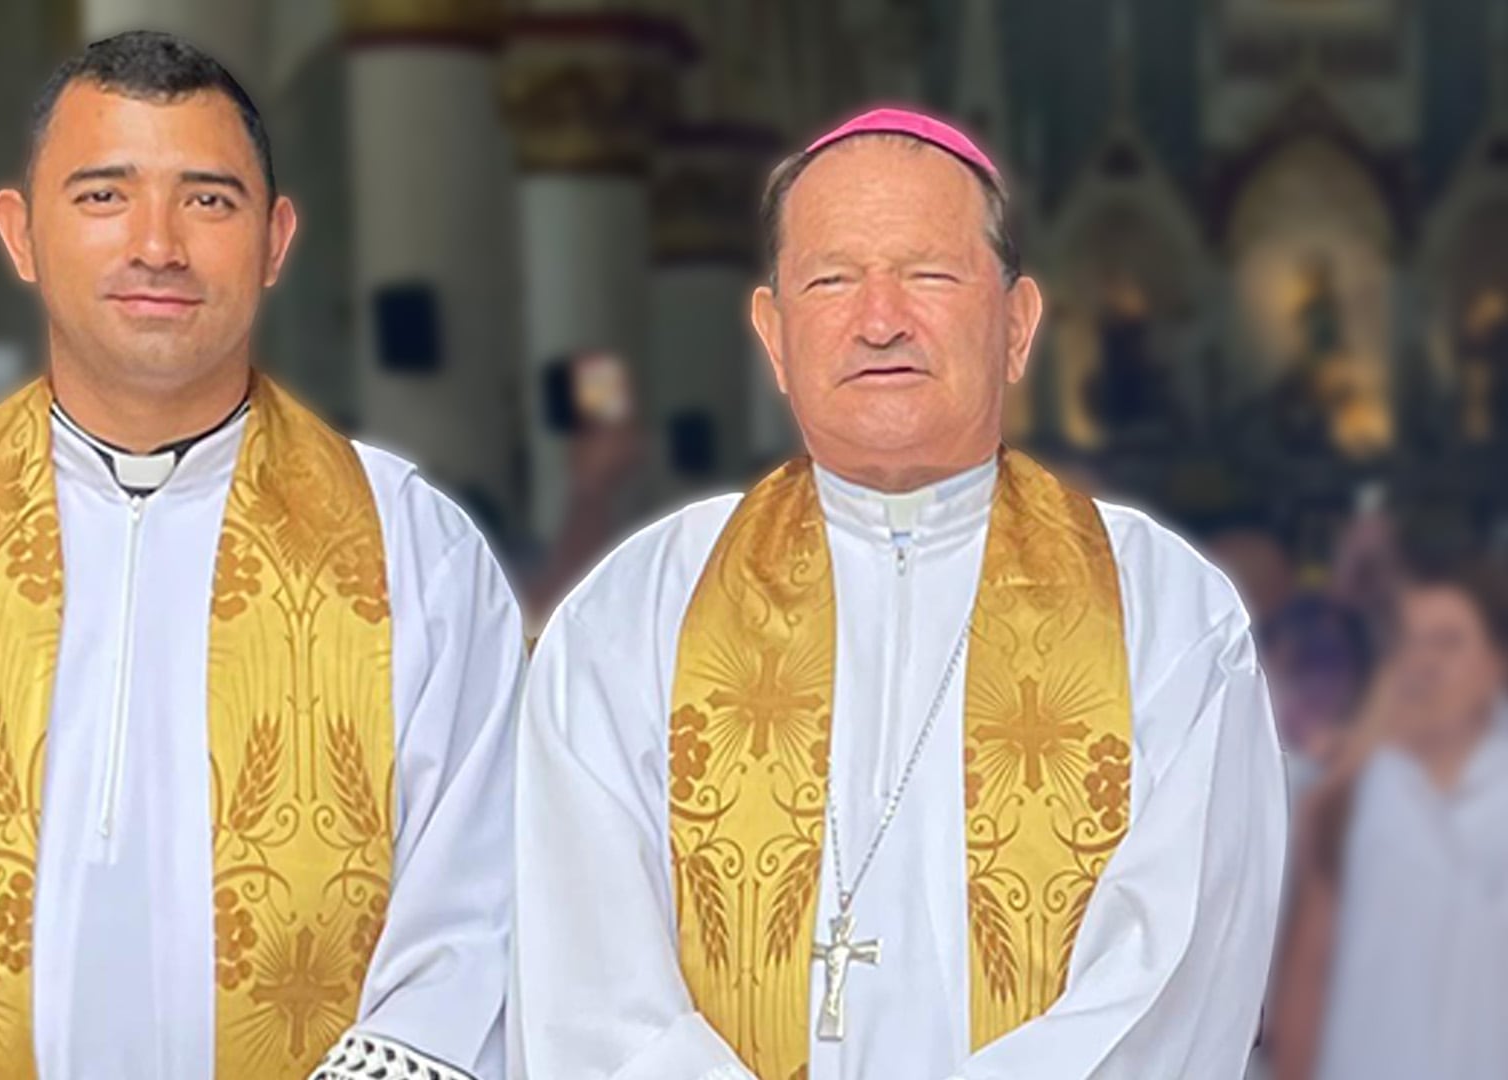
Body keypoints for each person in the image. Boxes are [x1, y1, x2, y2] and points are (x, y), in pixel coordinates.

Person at [0, 32, 521, 1080]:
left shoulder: (419, 556)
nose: (157, 245)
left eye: (210, 201)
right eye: (102, 196)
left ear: (275, 239)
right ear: (20, 232)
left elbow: (469, 930)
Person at [511, 108, 1287, 1079]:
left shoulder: (1168, 612)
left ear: (1017, 324)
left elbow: (1178, 973)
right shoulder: (633, 614)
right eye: (832, 279)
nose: (880, 319)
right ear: (773, 335)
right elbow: (588, 988)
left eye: (929, 274)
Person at [1268, 567, 1508, 1080]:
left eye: (1447, 644)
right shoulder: (1345, 797)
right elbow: (1307, 978)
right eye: (1411, 645)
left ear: (1495, 663)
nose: (1424, 664)